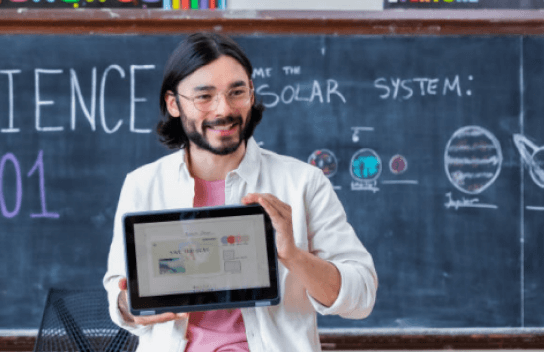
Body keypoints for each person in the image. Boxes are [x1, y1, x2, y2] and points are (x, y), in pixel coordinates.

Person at [103, 32, 377, 352]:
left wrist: (293, 255)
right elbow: (119, 298)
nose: (224, 110)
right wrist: (129, 303)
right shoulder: (143, 185)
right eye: (204, 96)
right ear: (174, 104)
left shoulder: (304, 182)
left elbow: (362, 299)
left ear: (252, 95)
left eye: (237, 92)